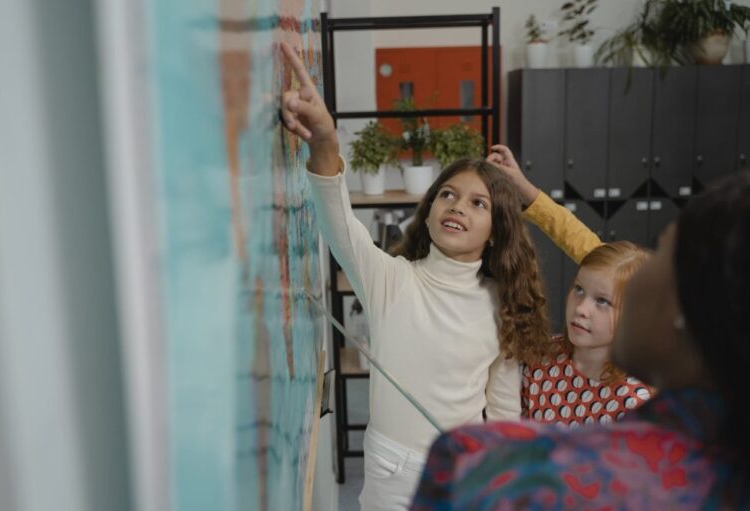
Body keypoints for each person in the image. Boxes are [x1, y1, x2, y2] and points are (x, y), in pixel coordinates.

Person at [278, 42, 551, 510]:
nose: (457, 207)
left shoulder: (503, 302)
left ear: (495, 232)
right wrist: (324, 142)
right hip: (394, 470)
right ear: (427, 214)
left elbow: (504, 410)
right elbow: (341, 227)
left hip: (464, 469)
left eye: (477, 203)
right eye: (447, 195)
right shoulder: (394, 280)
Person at [410, 170, 750, 509]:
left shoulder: (471, 465)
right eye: (579, 290)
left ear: (684, 310)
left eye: (661, 253)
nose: (585, 308)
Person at [487, 145, 653, 427]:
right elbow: (575, 237)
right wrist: (523, 188)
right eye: (578, 290)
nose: (582, 309)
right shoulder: (541, 361)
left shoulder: (635, 403)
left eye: (602, 301)